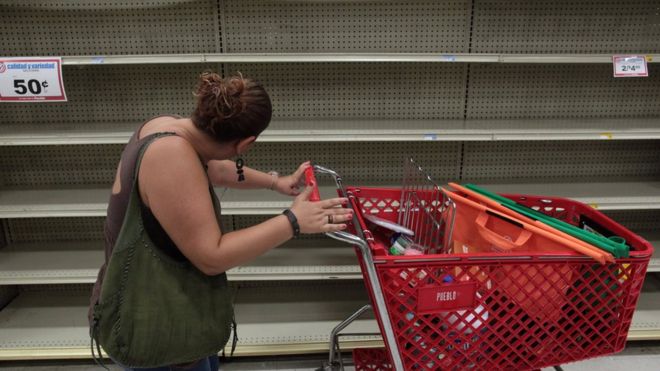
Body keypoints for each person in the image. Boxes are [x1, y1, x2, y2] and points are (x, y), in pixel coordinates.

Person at [89, 71, 352, 371]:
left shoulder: (168, 128)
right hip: (154, 331)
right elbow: (212, 256)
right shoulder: (170, 156)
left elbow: (216, 169)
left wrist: (275, 183)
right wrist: (293, 221)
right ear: (246, 143)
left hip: (172, 314)